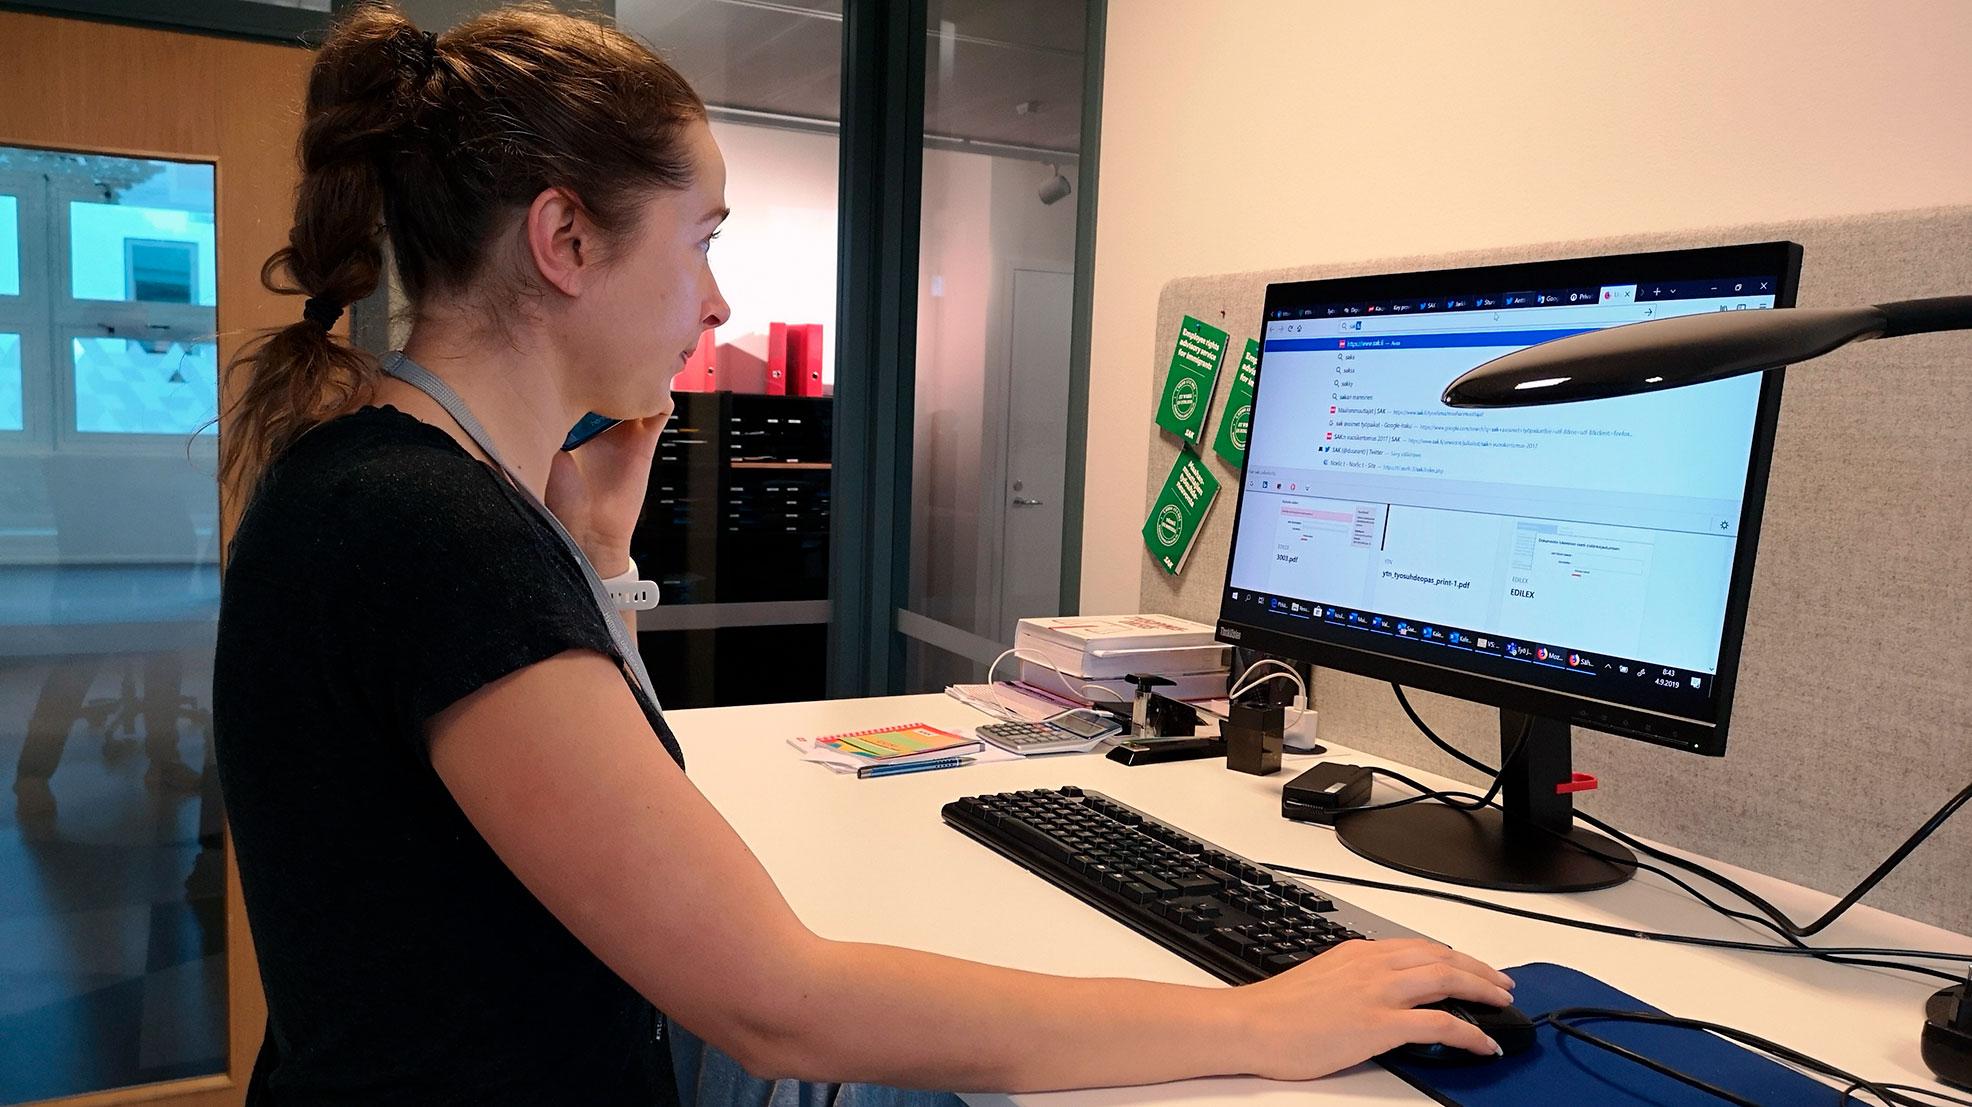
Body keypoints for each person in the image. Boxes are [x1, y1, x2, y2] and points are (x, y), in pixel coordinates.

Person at [211, 4, 1518, 1104]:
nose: (717, 301)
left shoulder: (387, 483)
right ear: (565, 242)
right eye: (701, 239)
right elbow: (779, 1004)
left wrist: (598, 552)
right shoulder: (431, 532)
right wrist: (1261, 1021)